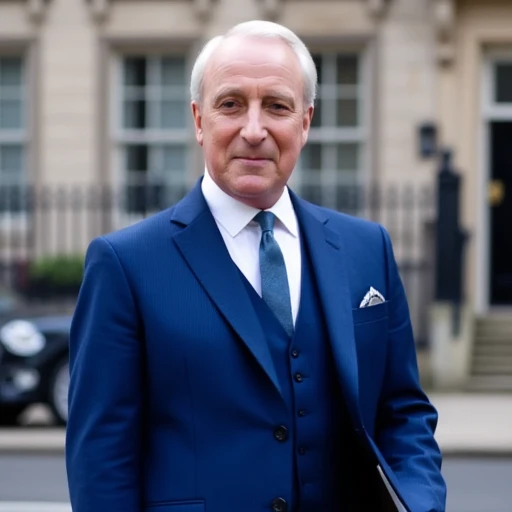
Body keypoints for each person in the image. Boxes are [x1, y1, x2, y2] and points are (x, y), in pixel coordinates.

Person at [66, 20, 446, 512]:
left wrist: (423, 504)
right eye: (230, 104)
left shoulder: (365, 247)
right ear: (199, 120)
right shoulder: (124, 264)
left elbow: (404, 412)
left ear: (305, 122)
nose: (253, 129)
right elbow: (102, 459)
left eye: (276, 106)